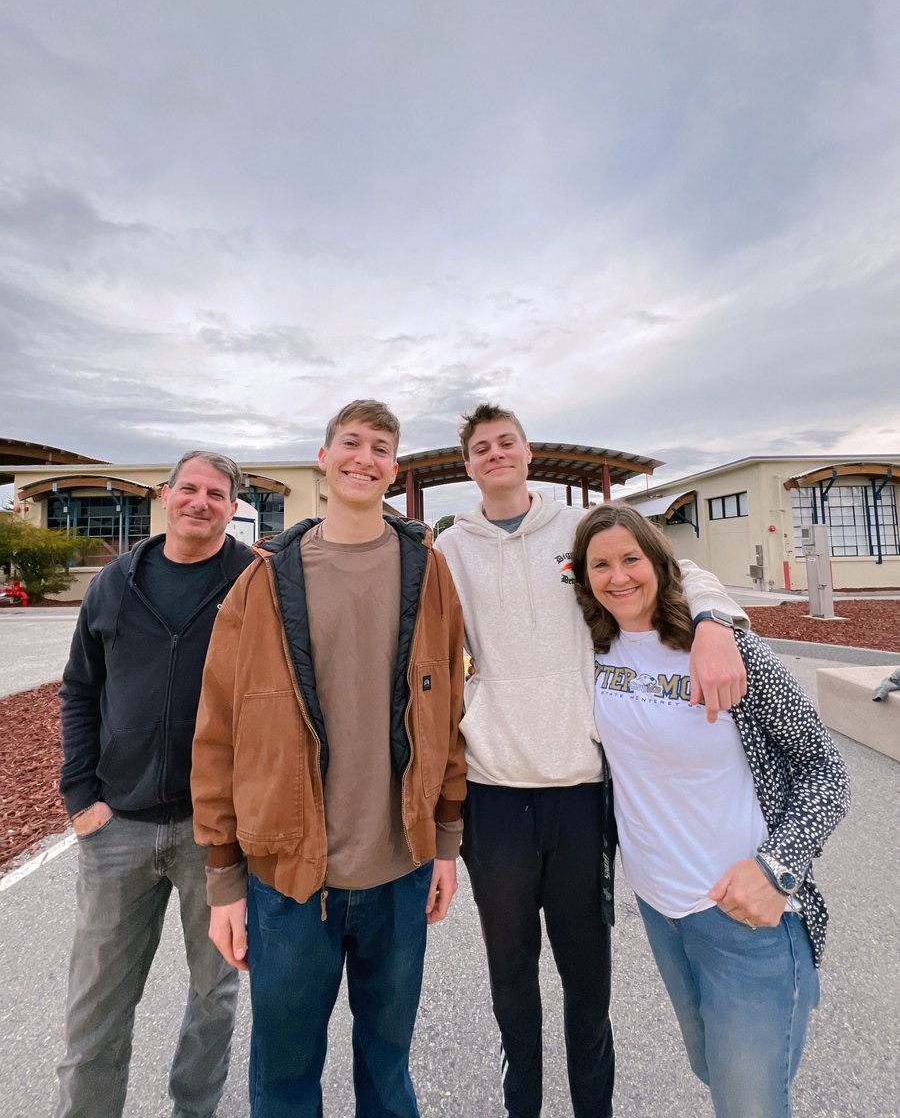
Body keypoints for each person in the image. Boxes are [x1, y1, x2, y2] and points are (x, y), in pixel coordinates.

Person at [435, 403, 749, 1118]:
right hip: (494, 789)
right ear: (469, 465)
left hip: (581, 790)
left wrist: (711, 621)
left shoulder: (574, 530)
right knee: (510, 973)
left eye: (505, 442)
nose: (495, 455)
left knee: (587, 979)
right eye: (481, 448)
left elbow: (676, 566)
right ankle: (524, 1106)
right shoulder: (452, 548)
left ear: (527, 452)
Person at [191, 399, 466, 1118]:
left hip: (399, 871)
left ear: (394, 469)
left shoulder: (427, 572)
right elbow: (219, 731)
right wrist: (223, 879)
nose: (363, 458)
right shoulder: (262, 580)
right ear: (324, 457)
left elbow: (450, 714)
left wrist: (445, 842)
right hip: (288, 879)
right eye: (350, 443)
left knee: (388, 1069)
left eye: (380, 447)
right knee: (284, 1077)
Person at [571, 502, 850, 1118]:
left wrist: (777, 870)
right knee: (708, 1067)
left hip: (745, 919)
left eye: (631, 559)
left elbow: (826, 772)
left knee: (749, 1102)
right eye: (600, 565)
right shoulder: (595, 648)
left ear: (658, 561)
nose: (618, 577)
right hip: (661, 911)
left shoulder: (728, 651)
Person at [57, 450, 252, 1118]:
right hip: (121, 828)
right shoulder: (114, 584)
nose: (201, 502)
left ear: (234, 507)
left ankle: (193, 1111)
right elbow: (80, 690)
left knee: (214, 997)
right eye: (189, 489)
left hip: (216, 834)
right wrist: (82, 799)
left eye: (217, 494)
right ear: (165, 497)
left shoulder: (255, 583)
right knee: (97, 1003)